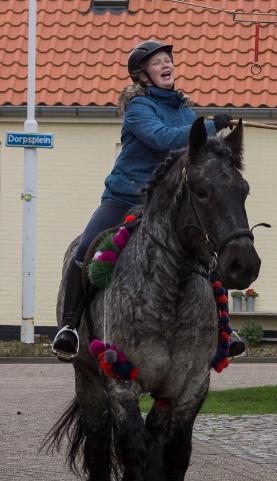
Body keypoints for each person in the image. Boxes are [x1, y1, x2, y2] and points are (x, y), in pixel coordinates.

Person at [52, 40, 244, 360]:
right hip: (125, 197)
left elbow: (194, 151)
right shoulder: (139, 108)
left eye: (168, 59)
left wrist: (214, 137)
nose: (166, 65)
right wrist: (210, 126)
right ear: (142, 75)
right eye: (157, 62)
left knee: (205, 249)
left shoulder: (185, 110)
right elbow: (162, 140)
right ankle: (69, 328)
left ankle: (224, 329)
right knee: (85, 249)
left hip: (166, 202)